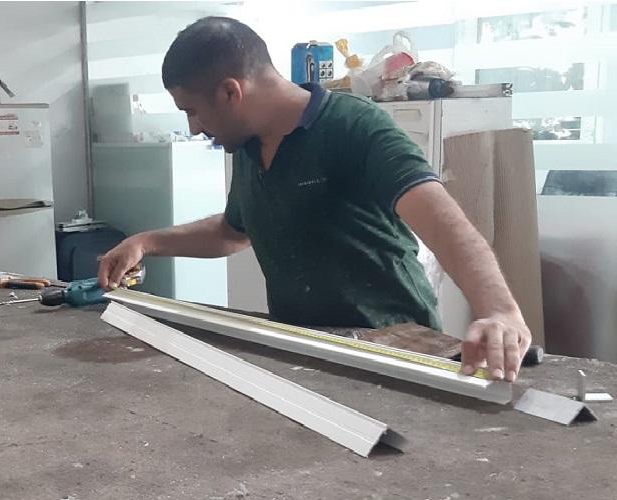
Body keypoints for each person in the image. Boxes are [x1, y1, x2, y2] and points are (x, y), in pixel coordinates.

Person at [97, 16, 531, 382]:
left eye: (191, 111)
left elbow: (441, 220)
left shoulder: (354, 127)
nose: (193, 127)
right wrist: (146, 242)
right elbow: (233, 232)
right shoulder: (247, 146)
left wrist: (500, 311)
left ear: (231, 92)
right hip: (305, 348)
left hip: (391, 346)